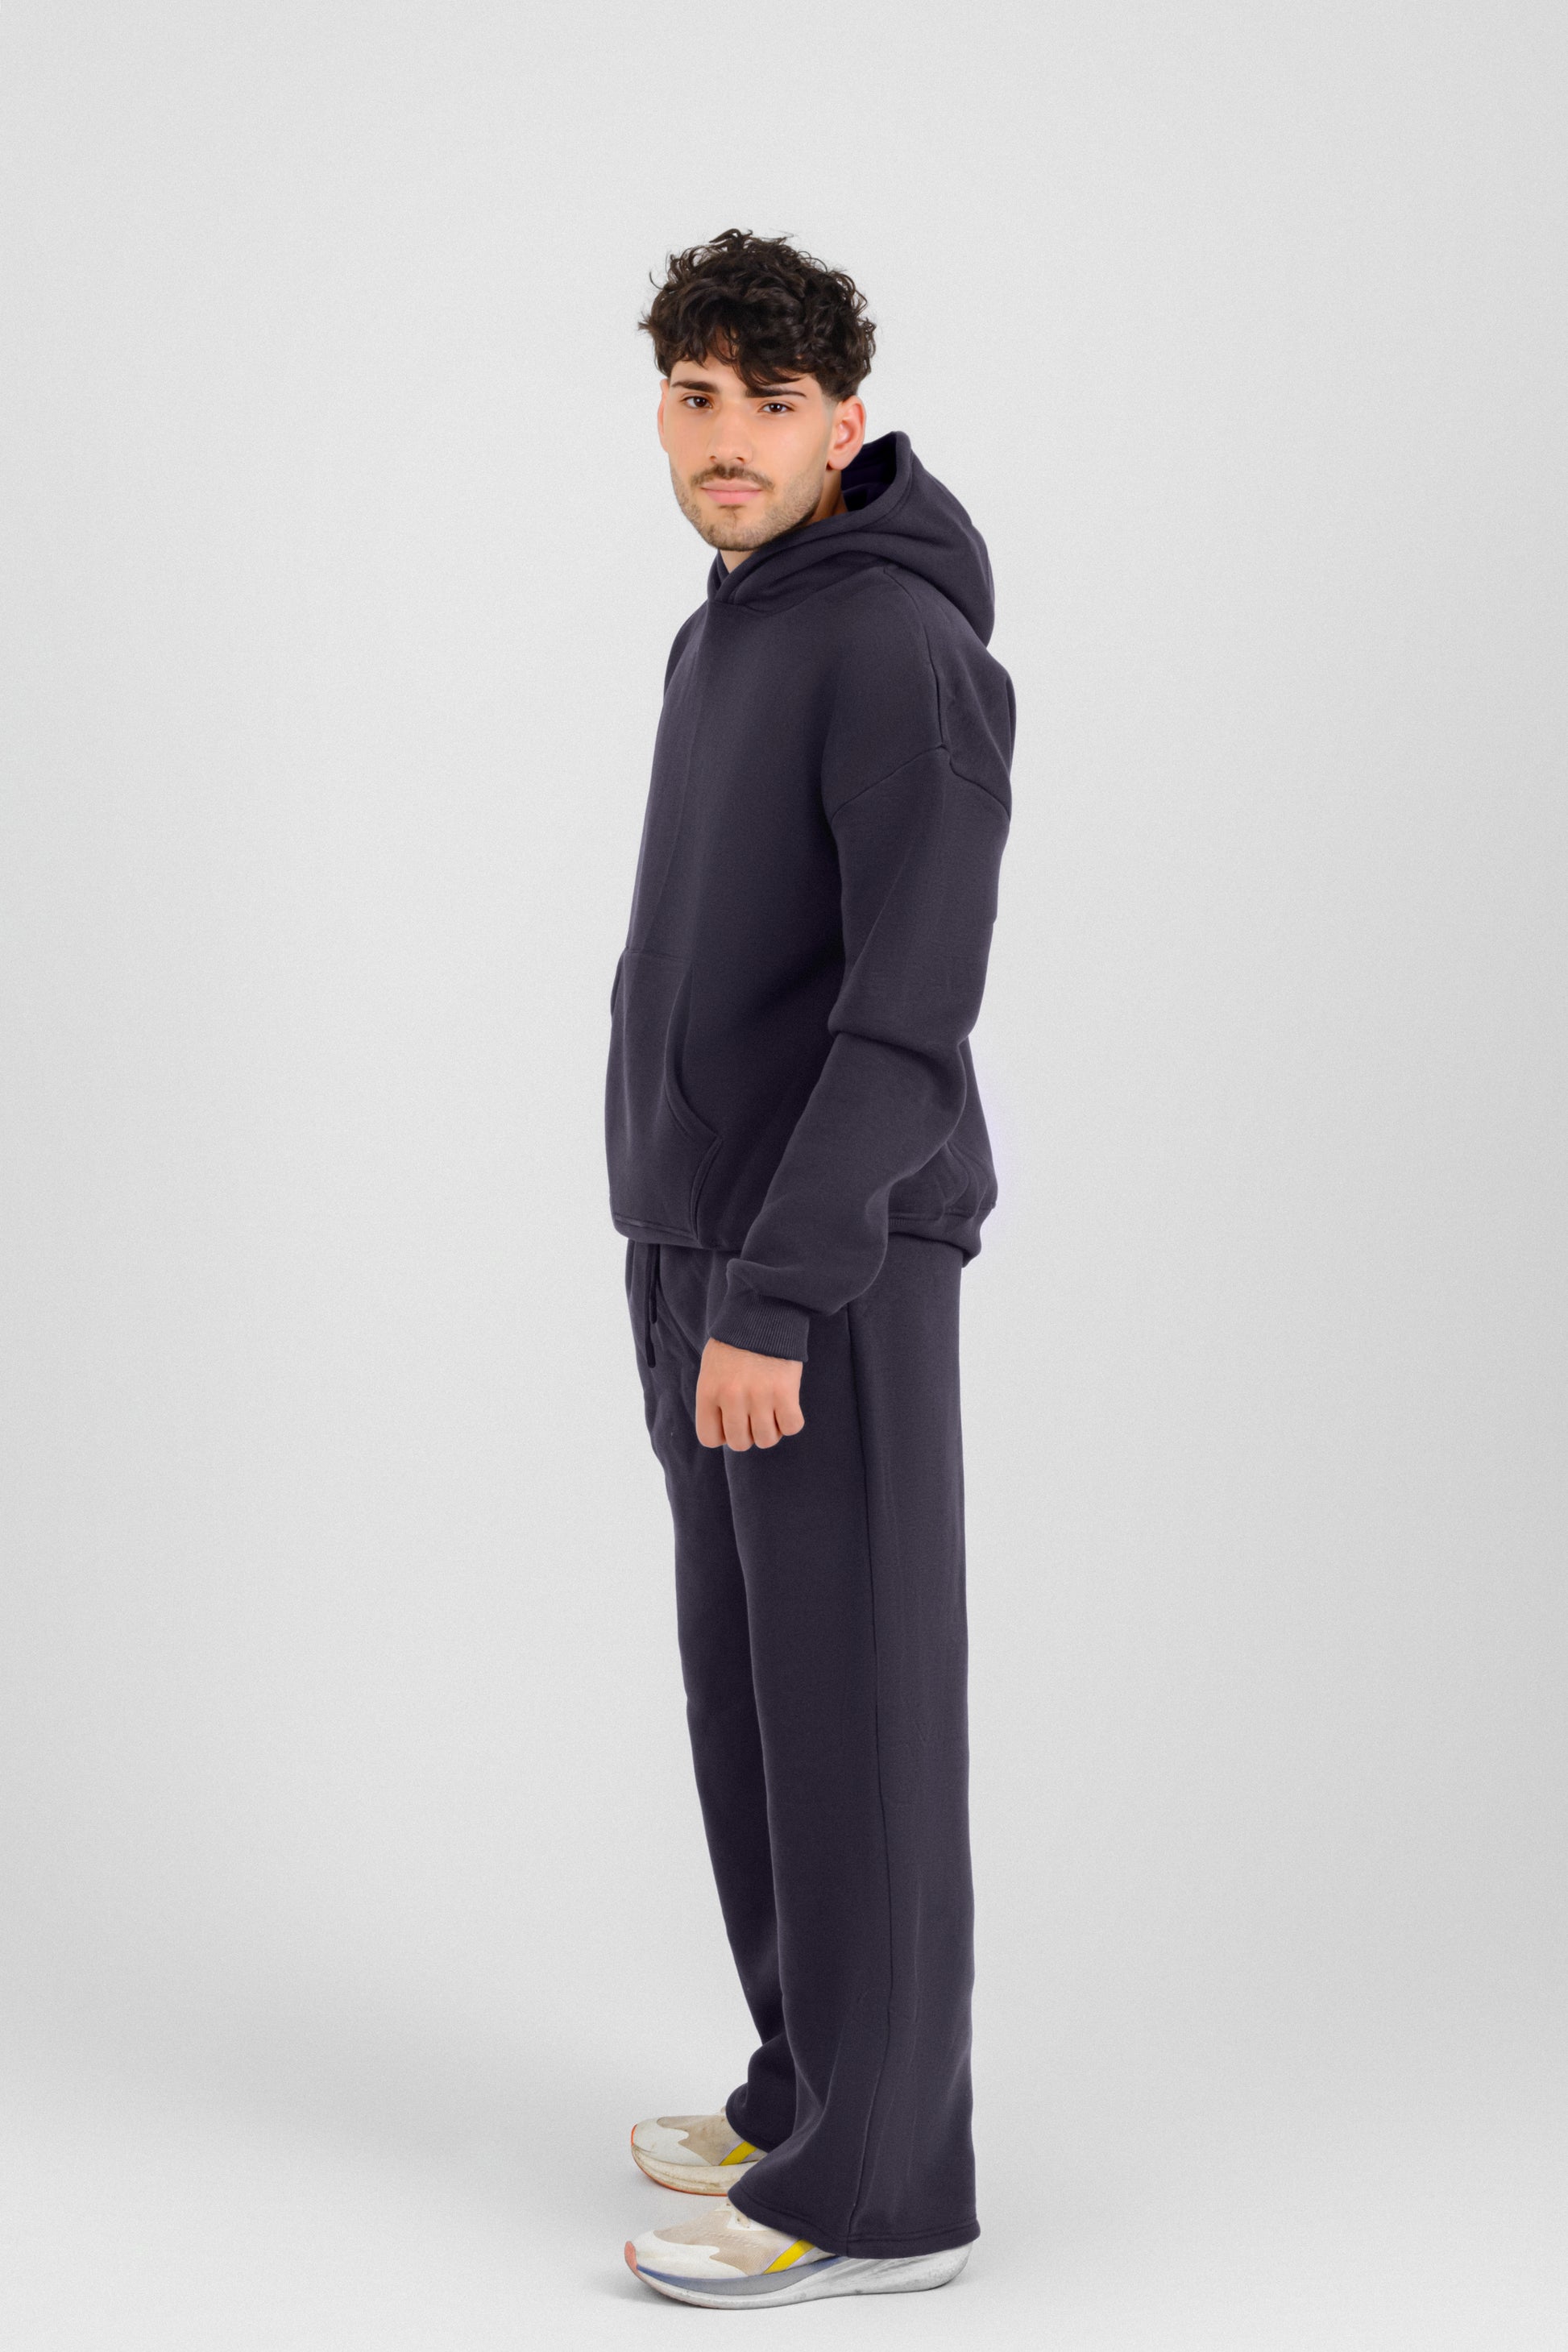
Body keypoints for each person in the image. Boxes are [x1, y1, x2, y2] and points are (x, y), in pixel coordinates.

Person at [606, 228, 1014, 2309]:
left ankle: (883, 2195)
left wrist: (773, 1292)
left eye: (767, 404)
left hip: (819, 1266)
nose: (726, 440)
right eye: (694, 396)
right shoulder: (733, 629)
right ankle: (805, 2095)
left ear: (843, 420)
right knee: (753, 1705)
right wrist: (683, 1249)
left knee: (855, 1712)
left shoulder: (898, 649)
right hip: (697, 1241)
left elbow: (906, 1012)